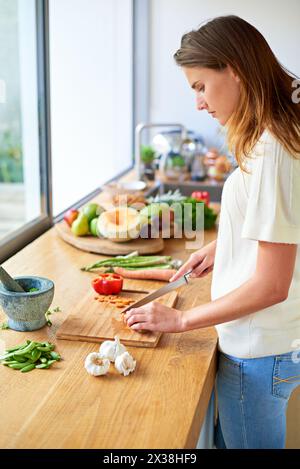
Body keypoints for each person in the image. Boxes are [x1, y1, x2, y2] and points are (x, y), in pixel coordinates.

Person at [124, 15, 300, 449]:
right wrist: (226, 245)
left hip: (257, 350)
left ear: (233, 69)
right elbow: (284, 223)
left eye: (200, 86)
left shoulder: (274, 147)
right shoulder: (280, 131)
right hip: (271, 345)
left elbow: (272, 285)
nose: (199, 104)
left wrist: (181, 319)